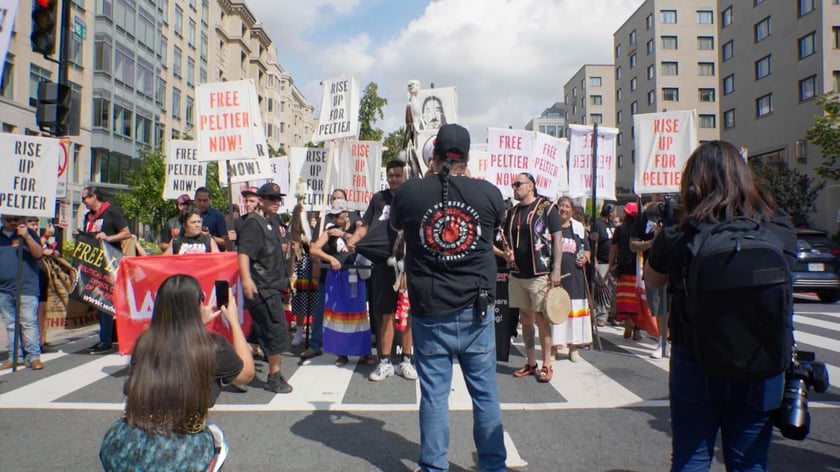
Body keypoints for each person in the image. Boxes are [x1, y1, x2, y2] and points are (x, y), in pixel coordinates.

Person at [644, 141, 796, 471]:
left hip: (696, 358)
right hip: (762, 360)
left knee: (691, 458)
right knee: (749, 462)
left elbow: (652, 281)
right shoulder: (777, 225)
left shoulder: (682, 231)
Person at [391, 124, 506, 472]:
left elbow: (396, 225)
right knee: (484, 393)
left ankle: (434, 467)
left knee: (435, 396)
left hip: (430, 310)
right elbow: (495, 223)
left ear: (434, 155)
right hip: (476, 309)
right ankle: (493, 466)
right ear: (467, 158)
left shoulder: (410, 192)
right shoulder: (489, 193)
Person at [100, 274, 254, 471]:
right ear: (197, 304)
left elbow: (177, 344)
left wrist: (196, 325)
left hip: (126, 447)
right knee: (218, 441)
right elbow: (246, 373)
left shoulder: (144, 342)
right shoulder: (211, 347)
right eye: (202, 298)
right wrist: (233, 320)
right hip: (180, 453)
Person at [346, 159, 416, 382]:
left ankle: (406, 360)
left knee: (406, 313)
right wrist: (353, 240)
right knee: (385, 313)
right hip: (382, 264)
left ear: (405, 176)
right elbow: (365, 226)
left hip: (408, 264)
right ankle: (384, 361)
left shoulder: (412, 197)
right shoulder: (378, 198)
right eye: (391, 175)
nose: (394, 179)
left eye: (398, 175)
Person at [497, 173, 563, 382]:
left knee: (541, 319)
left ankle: (547, 364)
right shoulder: (513, 212)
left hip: (539, 273)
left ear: (531, 186)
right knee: (525, 319)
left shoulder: (547, 208)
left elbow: (558, 240)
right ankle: (531, 362)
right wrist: (507, 254)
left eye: (518, 184)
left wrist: (556, 270)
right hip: (517, 273)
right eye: (513, 184)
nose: (514, 188)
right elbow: (507, 240)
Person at [237, 182, 293, 394]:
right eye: (271, 199)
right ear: (261, 201)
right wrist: (246, 279)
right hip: (262, 286)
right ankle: (274, 375)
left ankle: (232, 370)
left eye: (278, 199)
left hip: (274, 283)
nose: (276, 203)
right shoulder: (253, 224)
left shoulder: (272, 221)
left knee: (258, 333)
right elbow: (244, 252)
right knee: (274, 329)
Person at [309, 199, 373, 366]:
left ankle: (364, 352)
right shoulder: (329, 230)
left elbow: (364, 240)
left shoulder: (356, 226)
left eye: (340, 214)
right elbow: (313, 249)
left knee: (358, 314)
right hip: (337, 276)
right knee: (338, 315)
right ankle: (341, 353)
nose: (337, 217)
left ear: (346, 213)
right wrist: (330, 259)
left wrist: (343, 234)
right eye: (334, 214)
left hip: (355, 274)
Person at [80, 186, 131, 354]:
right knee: (99, 300)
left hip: (111, 262)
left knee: (107, 300)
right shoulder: (88, 217)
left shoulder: (111, 212)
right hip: (94, 262)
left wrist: (108, 237)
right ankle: (105, 337)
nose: (84, 202)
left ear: (94, 197)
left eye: (85, 198)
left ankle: (107, 339)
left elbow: (126, 233)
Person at [550, 196, 593, 362]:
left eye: (567, 206)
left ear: (572, 210)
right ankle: (554, 347)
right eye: (561, 205)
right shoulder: (550, 226)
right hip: (556, 278)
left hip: (575, 278)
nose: (564, 209)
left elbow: (587, 249)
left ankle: (573, 348)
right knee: (555, 311)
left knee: (574, 313)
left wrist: (585, 258)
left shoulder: (578, 228)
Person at [0, 214, 45, 370]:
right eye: (9, 220)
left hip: (26, 286)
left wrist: (26, 236)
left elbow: (38, 253)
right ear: (2, 219)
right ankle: (15, 357)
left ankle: (34, 356)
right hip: (4, 288)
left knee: (28, 322)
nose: (13, 223)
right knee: (11, 325)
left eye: (16, 219)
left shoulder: (29, 234)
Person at [632, 194, 669, 357]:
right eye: (657, 193)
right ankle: (662, 340)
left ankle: (666, 341)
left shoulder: (676, 213)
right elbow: (633, 245)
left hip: (674, 267)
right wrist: (652, 243)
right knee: (657, 307)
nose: (661, 196)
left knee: (670, 306)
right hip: (653, 268)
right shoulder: (643, 217)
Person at [610, 203, 641, 340]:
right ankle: (637, 330)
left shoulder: (620, 229)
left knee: (625, 301)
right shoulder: (641, 230)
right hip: (638, 271)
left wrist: (611, 265)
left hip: (623, 269)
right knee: (637, 301)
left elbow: (613, 249)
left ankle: (628, 321)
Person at [591, 203, 617, 326]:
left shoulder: (612, 225)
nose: (616, 213)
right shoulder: (598, 224)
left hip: (613, 263)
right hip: (602, 262)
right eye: (614, 211)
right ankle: (601, 315)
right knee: (602, 290)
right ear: (609, 212)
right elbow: (594, 243)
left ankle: (612, 314)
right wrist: (595, 259)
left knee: (613, 289)